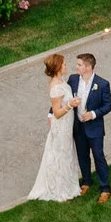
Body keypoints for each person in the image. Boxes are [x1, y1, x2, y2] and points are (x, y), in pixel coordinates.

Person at [28, 54, 82, 202]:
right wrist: (70, 105)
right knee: (60, 156)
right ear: (58, 67)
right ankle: (59, 190)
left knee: (67, 155)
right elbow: (57, 113)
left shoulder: (61, 81)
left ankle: (68, 185)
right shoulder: (55, 87)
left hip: (67, 125)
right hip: (61, 127)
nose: (66, 66)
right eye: (64, 64)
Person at [69, 51, 111, 201]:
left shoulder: (102, 84)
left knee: (98, 156)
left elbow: (109, 105)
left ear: (88, 67)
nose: (76, 67)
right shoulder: (73, 80)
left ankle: (105, 188)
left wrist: (93, 114)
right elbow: (64, 99)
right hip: (78, 127)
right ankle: (86, 181)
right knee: (82, 155)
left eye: (79, 65)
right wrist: (51, 113)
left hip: (94, 128)